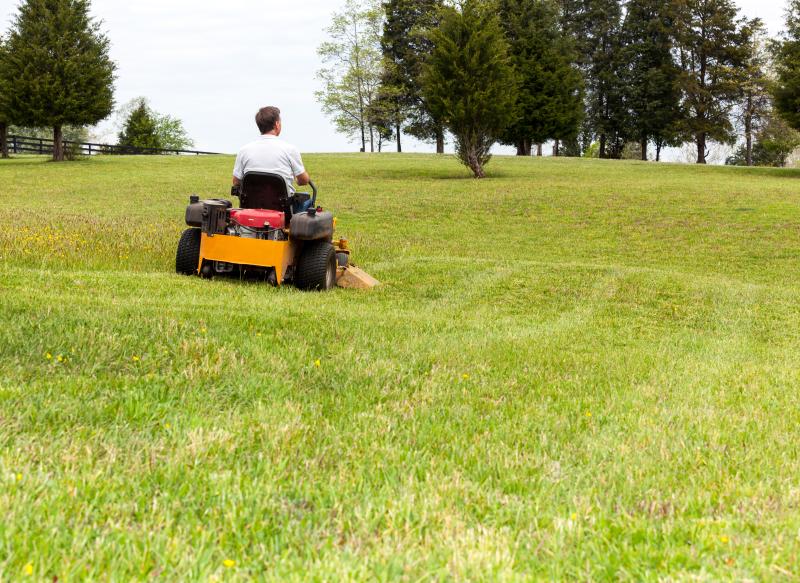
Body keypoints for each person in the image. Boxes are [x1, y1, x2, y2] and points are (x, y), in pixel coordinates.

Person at [232, 106, 310, 195]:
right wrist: (299, 180)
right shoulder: (290, 149)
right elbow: (304, 180)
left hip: (251, 205)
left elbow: (236, 182)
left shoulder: (244, 150)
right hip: (282, 207)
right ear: (277, 124)